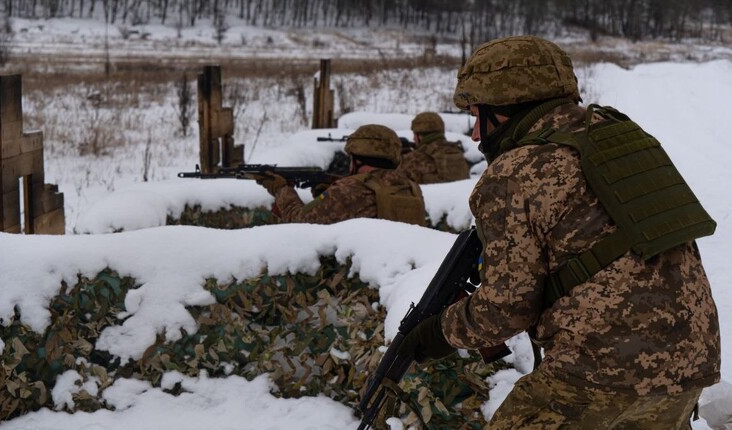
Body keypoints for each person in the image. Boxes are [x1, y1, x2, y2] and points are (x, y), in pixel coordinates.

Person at [398, 35, 720, 429]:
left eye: (475, 114)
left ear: (502, 107)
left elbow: (505, 310)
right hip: (691, 362)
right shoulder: (621, 137)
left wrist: (436, 333)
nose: (475, 135)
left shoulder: (512, 174)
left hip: (597, 373)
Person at [254, 124, 426, 225]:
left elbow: (301, 223)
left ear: (356, 159)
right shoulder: (410, 186)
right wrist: (326, 195)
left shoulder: (350, 189)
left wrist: (281, 190)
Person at [398, 112, 470, 184]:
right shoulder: (456, 151)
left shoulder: (414, 159)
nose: (413, 138)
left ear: (420, 136)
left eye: (414, 135)